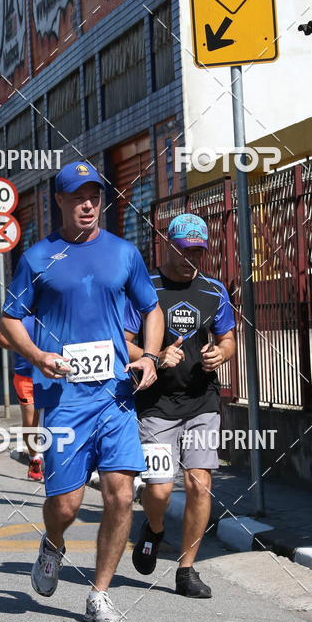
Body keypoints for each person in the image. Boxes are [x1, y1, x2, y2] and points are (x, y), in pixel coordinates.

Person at [0, 161, 164, 622]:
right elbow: (10, 319)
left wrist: (149, 356)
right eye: (77, 196)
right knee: (67, 504)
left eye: (93, 194)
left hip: (115, 395)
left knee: (119, 494)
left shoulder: (123, 253)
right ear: (61, 201)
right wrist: (37, 354)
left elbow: (151, 309)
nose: (87, 203)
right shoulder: (38, 258)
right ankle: (53, 542)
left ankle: (99, 593)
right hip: (63, 396)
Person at [124, 214, 236, 599]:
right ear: (167, 245)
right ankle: (154, 528)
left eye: (198, 251)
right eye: (184, 249)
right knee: (159, 489)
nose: (191, 258)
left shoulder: (213, 290)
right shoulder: (145, 288)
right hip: (155, 405)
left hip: (202, 400)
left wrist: (219, 354)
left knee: (199, 484)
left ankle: (187, 570)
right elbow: (123, 343)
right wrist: (153, 357)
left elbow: (228, 340)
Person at [0, 313, 43, 482]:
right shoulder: (18, 315)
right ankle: (35, 459)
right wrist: (22, 346)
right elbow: (0, 339)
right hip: (25, 376)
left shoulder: (53, 308)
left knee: (57, 419)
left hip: (53, 375)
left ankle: (56, 463)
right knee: (31, 421)